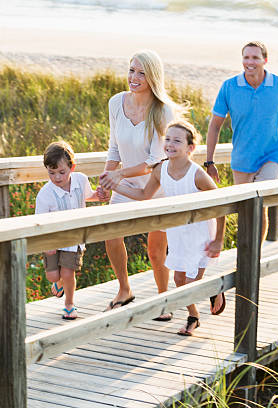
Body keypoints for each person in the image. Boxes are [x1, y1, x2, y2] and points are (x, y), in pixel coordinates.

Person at [109, 121, 226, 335]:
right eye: (168, 139)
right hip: (177, 232)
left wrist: (219, 239)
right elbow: (144, 195)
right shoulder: (161, 169)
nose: (170, 144)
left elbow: (221, 205)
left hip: (200, 232)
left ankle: (214, 288)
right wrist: (116, 185)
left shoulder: (197, 175)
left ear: (190, 148)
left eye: (177, 141)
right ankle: (194, 316)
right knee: (179, 280)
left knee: (191, 281)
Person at [98, 50, 183, 318]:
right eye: (131, 70)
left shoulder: (163, 111)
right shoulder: (115, 103)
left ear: (153, 77)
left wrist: (119, 175)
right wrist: (105, 179)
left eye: (141, 73)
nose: (133, 77)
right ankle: (124, 289)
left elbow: (154, 160)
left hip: (155, 188)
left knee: (156, 251)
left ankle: (162, 300)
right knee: (111, 234)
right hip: (123, 187)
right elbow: (114, 148)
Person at [205, 41, 278, 242]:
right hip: (242, 159)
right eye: (246, 57)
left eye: (255, 57)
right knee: (245, 210)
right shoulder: (229, 86)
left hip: (271, 156)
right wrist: (210, 161)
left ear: (264, 60)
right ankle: (245, 253)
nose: (250, 62)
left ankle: (254, 257)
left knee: (260, 204)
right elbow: (215, 126)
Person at [35, 141, 104, 320]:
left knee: (68, 272)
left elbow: (87, 196)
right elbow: (39, 221)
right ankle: (58, 283)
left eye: (61, 172)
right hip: (53, 238)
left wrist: (98, 196)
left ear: (72, 167)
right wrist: (46, 244)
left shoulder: (80, 180)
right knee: (53, 276)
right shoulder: (45, 194)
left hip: (73, 237)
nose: (57, 177)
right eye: (51, 173)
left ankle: (69, 305)